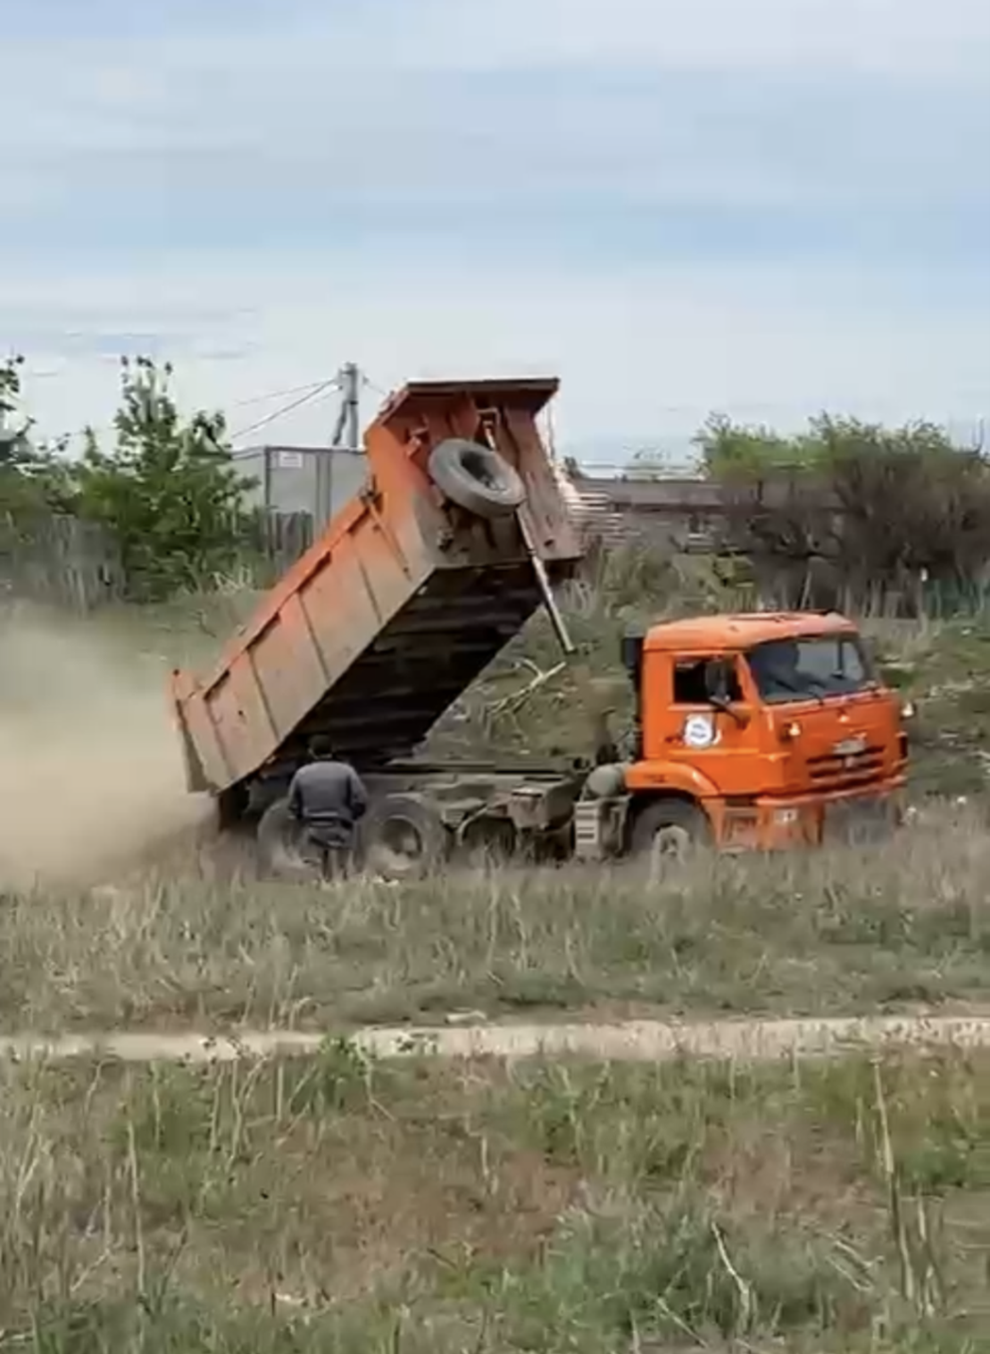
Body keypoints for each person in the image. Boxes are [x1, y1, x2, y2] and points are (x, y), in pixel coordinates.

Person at [286, 736, 369, 880]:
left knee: (315, 873)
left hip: (312, 829)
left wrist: (302, 820)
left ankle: (321, 893)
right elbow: (361, 799)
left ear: (311, 752)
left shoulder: (302, 774)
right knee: (342, 872)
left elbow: (292, 805)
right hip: (340, 828)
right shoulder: (346, 771)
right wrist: (352, 817)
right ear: (332, 750)